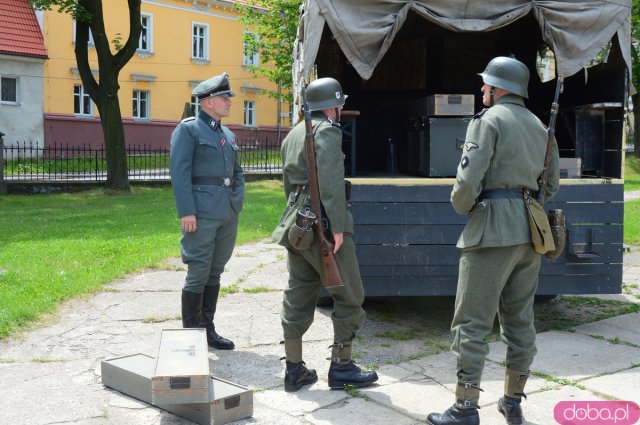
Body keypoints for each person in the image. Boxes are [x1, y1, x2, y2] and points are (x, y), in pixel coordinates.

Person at [427, 57, 559, 425]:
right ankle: (513, 400)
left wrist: (463, 205)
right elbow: (552, 185)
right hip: (531, 232)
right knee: (519, 320)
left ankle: (465, 408)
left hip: (491, 229)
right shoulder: (539, 125)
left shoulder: (488, 121)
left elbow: (467, 183)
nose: (482, 89)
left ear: (500, 88)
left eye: (486, 84)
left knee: (471, 322)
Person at [272, 77, 378, 392]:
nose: (342, 107)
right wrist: (339, 228)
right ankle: (342, 367)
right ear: (331, 105)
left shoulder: (294, 133)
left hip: (297, 225)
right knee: (350, 295)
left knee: (299, 292)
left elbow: (290, 186)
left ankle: (294, 369)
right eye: (340, 102)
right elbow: (331, 184)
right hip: (323, 225)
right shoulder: (327, 132)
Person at [169, 72, 244, 350]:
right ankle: (191, 338)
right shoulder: (188, 130)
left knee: (216, 271)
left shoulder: (227, 134)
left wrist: (238, 200)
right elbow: (179, 173)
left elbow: (238, 172)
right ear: (209, 101)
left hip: (227, 212)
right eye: (225, 98)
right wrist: (186, 211)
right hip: (199, 213)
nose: (230, 102)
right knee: (199, 270)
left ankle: (207, 329)